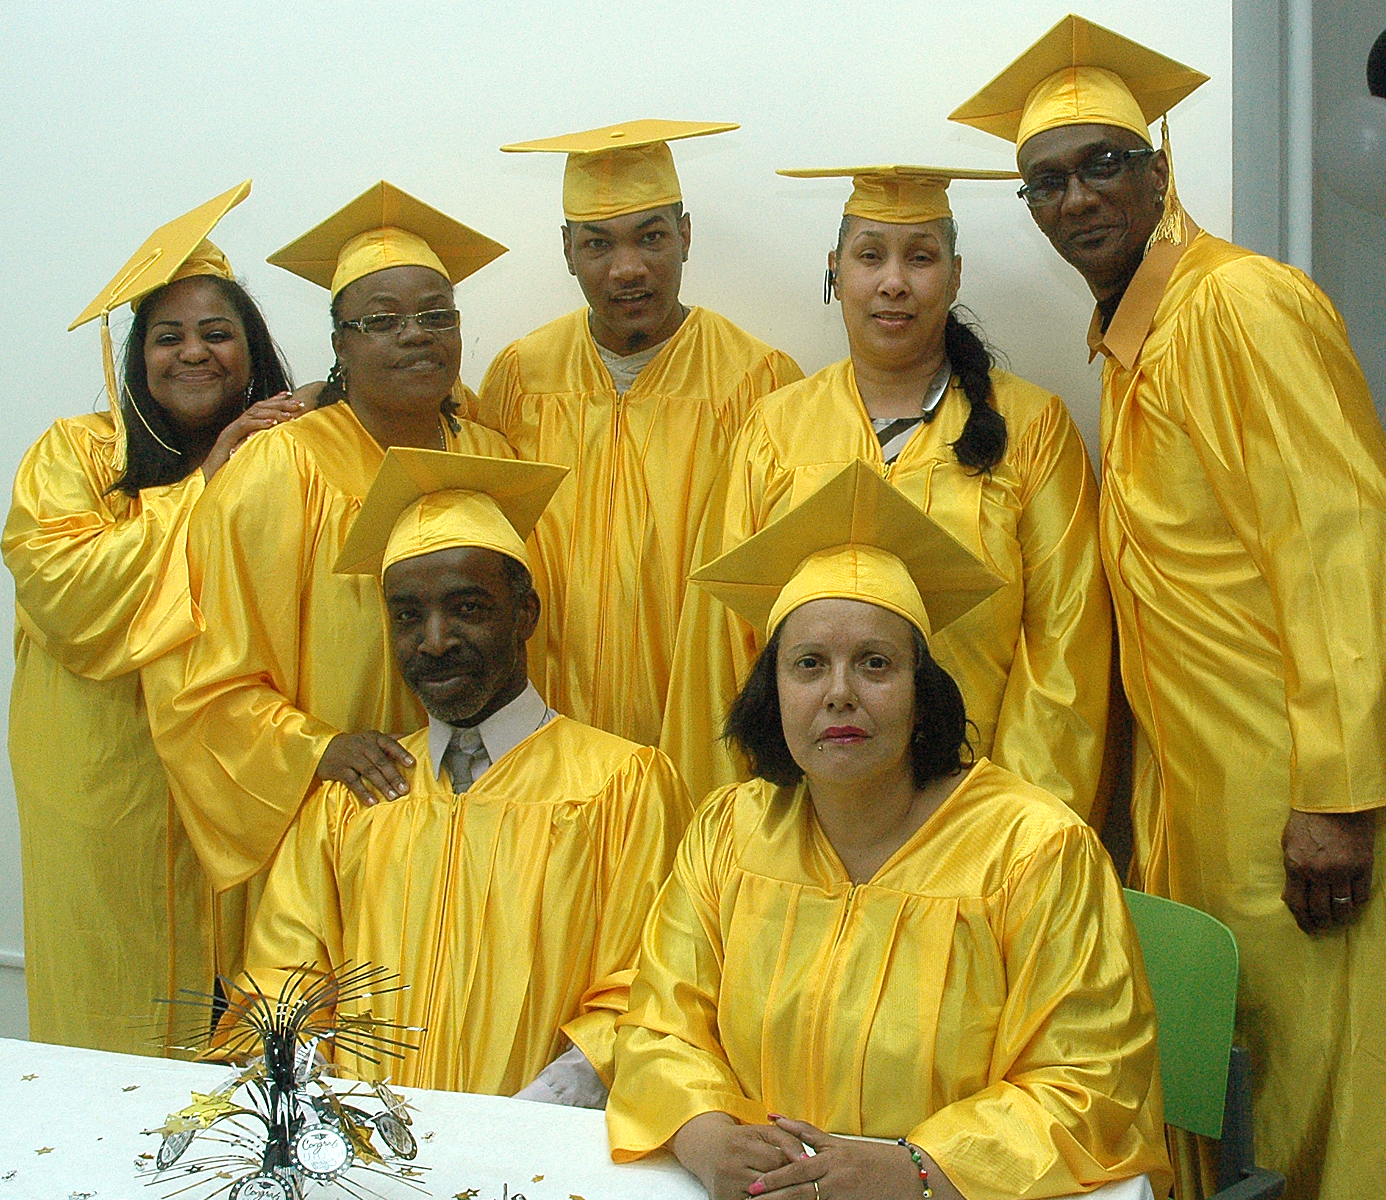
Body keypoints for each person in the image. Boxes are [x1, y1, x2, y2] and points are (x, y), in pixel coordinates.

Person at [951, 14, 1386, 1199]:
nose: (1077, 198)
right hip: (1219, 801)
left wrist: (1338, 799)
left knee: (1338, 1100)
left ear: (1159, 168)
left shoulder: (1239, 307)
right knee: (1257, 1093)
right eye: (1047, 181)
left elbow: (1351, 549)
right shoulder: (1134, 343)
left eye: (1103, 164)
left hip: (1312, 802)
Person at [608, 461, 1168, 1200]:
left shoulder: (1033, 851)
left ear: (921, 692)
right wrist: (708, 1138)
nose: (840, 693)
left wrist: (917, 1169)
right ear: (770, 693)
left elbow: (1091, 1078)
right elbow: (657, 1026)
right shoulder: (728, 835)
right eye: (809, 665)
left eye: (875, 663)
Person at [237, 448, 691, 1099]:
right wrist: (324, 1110)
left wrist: (529, 1118)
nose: (435, 640)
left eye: (469, 608)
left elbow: (651, 980)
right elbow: (285, 977)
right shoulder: (356, 800)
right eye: (407, 616)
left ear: (525, 616)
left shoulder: (624, 786)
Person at [662, 165, 1113, 818]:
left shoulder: (1032, 428)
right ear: (836, 271)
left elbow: (1065, 656)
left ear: (955, 275)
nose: (893, 282)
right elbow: (722, 650)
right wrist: (742, 831)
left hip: (977, 813)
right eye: (870, 256)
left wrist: (1015, 834)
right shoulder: (775, 432)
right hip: (804, 825)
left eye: (921, 257)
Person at [151, 182, 516, 980]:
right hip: (332, 825)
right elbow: (194, 676)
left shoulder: (493, 458)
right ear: (340, 345)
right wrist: (315, 750)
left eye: (436, 315)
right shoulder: (278, 472)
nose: (415, 337)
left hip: (486, 817)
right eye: (381, 322)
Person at [3, 182, 304, 1054]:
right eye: (167, 336)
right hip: (110, 781)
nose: (193, 352)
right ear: (137, 356)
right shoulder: (76, 452)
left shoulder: (281, 450)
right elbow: (68, 589)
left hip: (245, 773)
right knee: (113, 1010)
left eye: (217, 332)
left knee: (252, 1010)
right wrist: (208, 482)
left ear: (252, 352)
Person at [472, 119, 804, 748]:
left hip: (708, 726)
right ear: (567, 251)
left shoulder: (759, 380)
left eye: (650, 238)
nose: (627, 269)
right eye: (598, 245)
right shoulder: (521, 377)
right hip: (544, 727)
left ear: (684, 236)